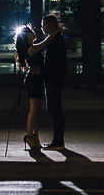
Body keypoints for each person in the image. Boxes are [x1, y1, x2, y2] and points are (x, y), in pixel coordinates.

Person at [14, 17, 63, 151]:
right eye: (30, 32)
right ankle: (29, 136)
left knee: (36, 111)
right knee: (34, 110)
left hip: (36, 80)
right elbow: (44, 45)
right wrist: (53, 34)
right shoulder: (30, 49)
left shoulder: (31, 48)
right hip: (33, 81)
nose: (34, 32)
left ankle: (35, 136)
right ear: (26, 36)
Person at [38, 13, 68, 150]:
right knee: (55, 109)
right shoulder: (55, 38)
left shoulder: (56, 40)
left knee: (54, 109)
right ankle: (58, 140)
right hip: (55, 78)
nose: (42, 28)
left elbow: (54, 62)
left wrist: (42, 70)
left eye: (43, 25)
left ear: (50, 25)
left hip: (54, 79)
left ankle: (58, 141)